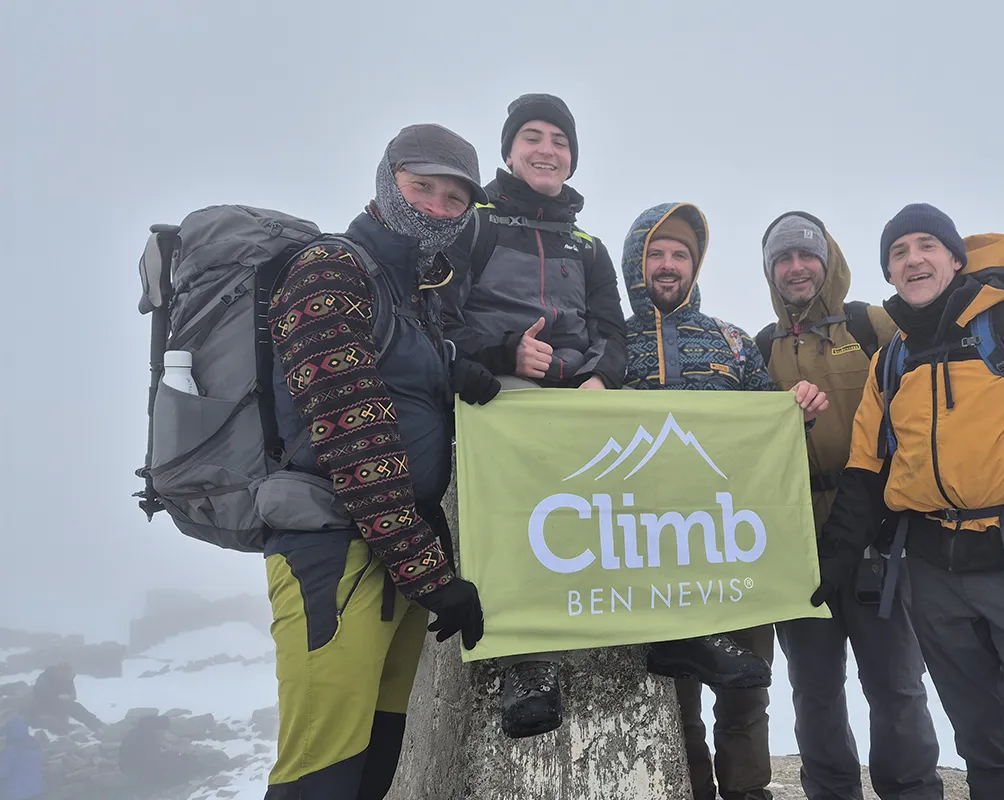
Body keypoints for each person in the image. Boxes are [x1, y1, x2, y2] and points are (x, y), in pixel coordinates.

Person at [812, 204, 1004, 800]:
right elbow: (866, 474)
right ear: (889, 274)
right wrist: (837, 559)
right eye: (898, 253)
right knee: (982, 745)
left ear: (955, 259)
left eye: (926, 245)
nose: (912, 260)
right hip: (933, 574)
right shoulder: (891, 360)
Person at [265, 122, 501, 799]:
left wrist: (455, 369)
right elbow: (354, 443)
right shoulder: (330, 271)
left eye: (455, 200)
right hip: (333, 553)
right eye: (421, 187)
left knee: (374, 769)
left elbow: (394, 386)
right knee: (321, 777)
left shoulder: (411, 294)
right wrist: (432, 574)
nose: (436, 208)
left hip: (395, 557)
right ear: (385, 181)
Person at [622, 202, 827, 800]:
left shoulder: (733, 342)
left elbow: (773, 431)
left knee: (745, 693)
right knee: (674, 699)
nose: (667, 265)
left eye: (679, 254)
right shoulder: (606, 340)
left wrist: (801, 413)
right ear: (637, 262)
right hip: (644, 550)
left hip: (731, 545)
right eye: (656, 254)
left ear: (695, 264)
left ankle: (749, 794)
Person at [438, 93, 627, 740]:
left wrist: (603, 375)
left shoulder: (588, 245)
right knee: (520, 523)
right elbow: (439, 320)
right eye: (533, 137)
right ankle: (526, 666)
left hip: (577, 402)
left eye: (560, 141)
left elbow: (613, 331)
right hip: (499, 400)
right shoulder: (474, 224)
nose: (548, 149)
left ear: (573, 158)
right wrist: (504, 352)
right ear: (509, 151)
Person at [756, 212, 942, 800]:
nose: (795, 267)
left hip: (879, 535)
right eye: (782, 259)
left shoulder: (873, 323)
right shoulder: (763, 348)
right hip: (799, 543)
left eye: (805, 255)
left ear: (827, 259)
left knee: (896, 684)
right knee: (813, 689)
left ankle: (911, 790)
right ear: (771, 272)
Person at [26, 662, 103, 734]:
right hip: (41, 709)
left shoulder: (67, 679)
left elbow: (72, 694)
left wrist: (69, 697)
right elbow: (40, 695)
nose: (67, 677)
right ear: (59, 672)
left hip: (59, 707)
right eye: (65, 675)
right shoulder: (45, 678)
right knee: (57, 726)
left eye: (68, 675)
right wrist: (58, 697)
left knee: (76, 707)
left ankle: (97, 725)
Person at [0, 717, 43, 800]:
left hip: (13, 794)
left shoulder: (11, 751)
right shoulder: (35, 746)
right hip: (35, 790)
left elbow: (2, 772)